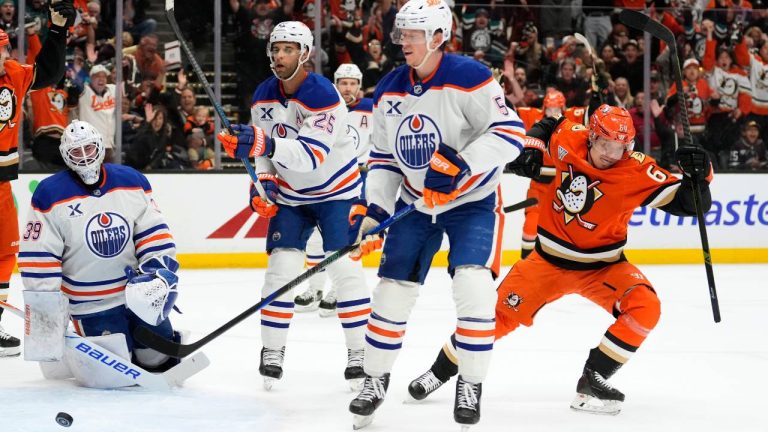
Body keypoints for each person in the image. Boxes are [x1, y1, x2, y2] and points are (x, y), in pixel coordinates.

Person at [406, 105, 714, 417]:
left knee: (646, 307)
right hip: (545, 263)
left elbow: (691, 204)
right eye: (606, 144)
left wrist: (700, 174)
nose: (612, 153)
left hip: (604, 267)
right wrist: (532, 146)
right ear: (591, 137)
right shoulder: (571, 137)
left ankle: (592, 379)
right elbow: (550, 124)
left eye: (621, 147)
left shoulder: (636, 170)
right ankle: (438, 372)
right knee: (491, 318)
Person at [345, 0, 527, 428]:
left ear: (439, 37)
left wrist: (463, 163)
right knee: (391, 291)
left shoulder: (469, 77)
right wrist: (375, 210)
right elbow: (386, 159)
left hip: (472, 202)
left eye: (413, 34)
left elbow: (511, 132)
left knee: (474, 288)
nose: (403, 41)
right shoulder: (389, 88)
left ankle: (471, 381)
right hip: (413, 203)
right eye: (402, 33)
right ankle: (374, 380)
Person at [216, 21, 370, 391]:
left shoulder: (324, 96)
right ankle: (272, 351)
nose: (279, 56)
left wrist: (261, 146)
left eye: (288, 49)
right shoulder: (263, 96)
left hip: (338, 192)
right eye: (276, 49)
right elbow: (265, 156)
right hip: (292, 197)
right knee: (279, 271)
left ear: (305, 54)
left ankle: (359, 354)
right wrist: (263, 181)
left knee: (345, 274)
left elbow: (311, 156)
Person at [17, 120, 181, 386]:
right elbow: (39, 255)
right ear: (66, 156)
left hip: (136, 294)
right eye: (76, 152)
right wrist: (47, 308)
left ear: (100, 147)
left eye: (89, 149)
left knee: (157, 360)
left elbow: (154, 232)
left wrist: (158, 273)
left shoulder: (131, 181)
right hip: (90, 304)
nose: (84, 157)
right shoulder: (49, 194)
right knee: (112, 375)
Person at [0, 1, 75, 357]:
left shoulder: (12, 74)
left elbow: (47, 73)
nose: (2, 56)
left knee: (5, 251)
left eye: (3, 49)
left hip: (1, 183)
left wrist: (57, 31)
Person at [294, 63, 373, 318]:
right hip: (329, 179)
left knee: (347, 236)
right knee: (317, 239)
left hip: (359, 179)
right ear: (336, 84)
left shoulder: (371, 109)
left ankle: (339, 291)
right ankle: (315, 288)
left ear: (359, 85)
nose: (348, 88)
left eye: (352, 83)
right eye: (343, 82)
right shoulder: (326, 107)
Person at [515, 90, 591, 259]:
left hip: (565, 188)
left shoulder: (573, 116)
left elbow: (592, 111)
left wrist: (598, 93)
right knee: (530, 226)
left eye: (557, 109)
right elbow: (509, 111)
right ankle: (525, 264)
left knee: (569, 231)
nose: (553, 114)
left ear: (564, 108)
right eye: (550, 109)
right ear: (544, 108)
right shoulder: (533, 116)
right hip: (539, 187)